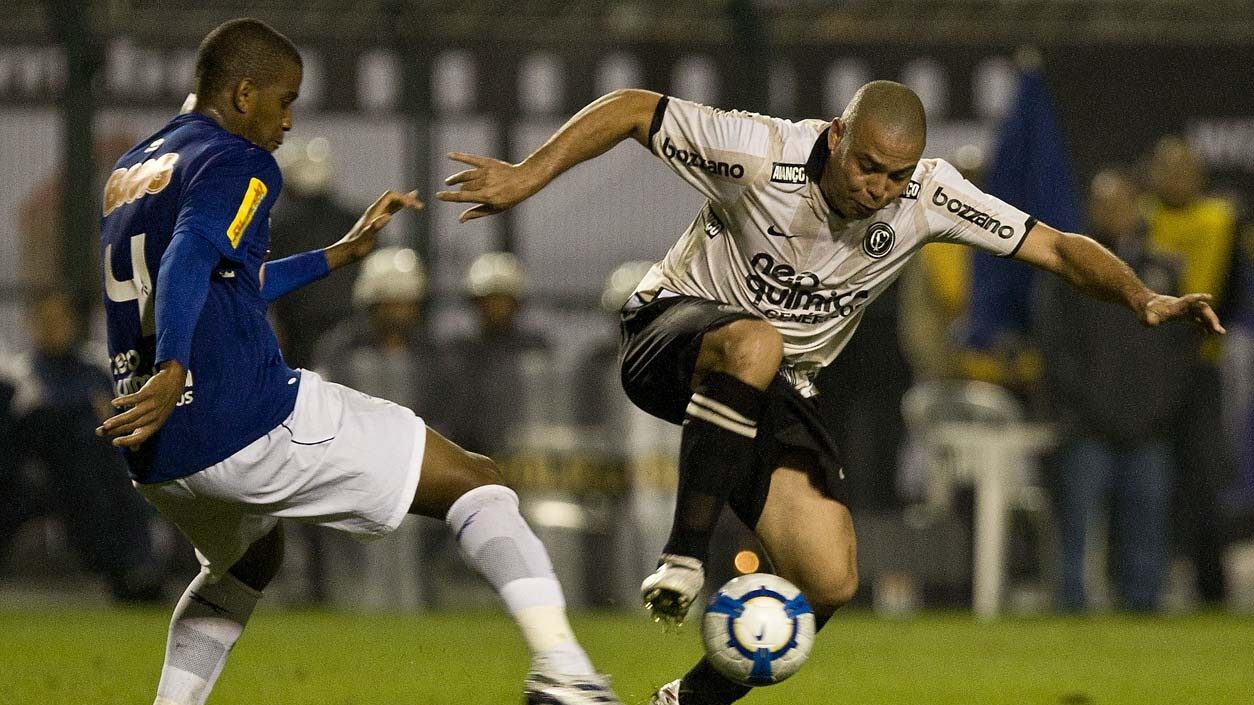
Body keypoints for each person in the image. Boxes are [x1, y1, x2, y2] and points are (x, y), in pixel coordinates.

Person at [435, 83, 1224, 704]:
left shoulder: (931, 196)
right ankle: (680, 557)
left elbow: (1053, 243)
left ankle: (690, 698)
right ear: (836, 135)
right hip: (670, 336)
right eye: (866, 166)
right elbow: (634, 109)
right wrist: (528, 173)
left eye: (896, 175)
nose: (878, 188)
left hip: (773, 385)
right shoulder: (758, 149)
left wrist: (1140, 298)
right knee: (756, 338)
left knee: (831, 579)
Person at [95, 18, 619, 705]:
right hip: (241, 418)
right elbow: (189, 255)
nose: (288, 121)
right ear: (243, 92)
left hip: (159, 451)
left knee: (252, 556)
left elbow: (223, 282)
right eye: (284, 100)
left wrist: (337, 255)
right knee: (477, 482)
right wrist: (173, 366)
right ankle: (567, 673)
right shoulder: (239, 159)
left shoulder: (136, 168)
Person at [1036, 169, 1193, 612]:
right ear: (1092, 208)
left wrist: (1159, 408)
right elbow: (1055, 348)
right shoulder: (1072, 267)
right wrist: (1090, 406)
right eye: (1106, 203)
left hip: (1149, 426)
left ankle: (1143, 611)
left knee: (1147, 524)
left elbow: (1180, 351)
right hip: (1088, 424)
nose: (1115, 212)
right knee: (1077, 526)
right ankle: (1070, 607)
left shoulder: (1163, 268)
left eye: (1123, 202)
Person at [3, 291, 166, 602]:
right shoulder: (19, 372)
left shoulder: (95, 368)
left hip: (94, 472)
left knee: (116, 470)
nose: (52, 328)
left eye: (60, 320)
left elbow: (116, 415)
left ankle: (135, 568)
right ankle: (127, 568)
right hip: (33, 476)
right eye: (44, 321)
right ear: (30, 324)